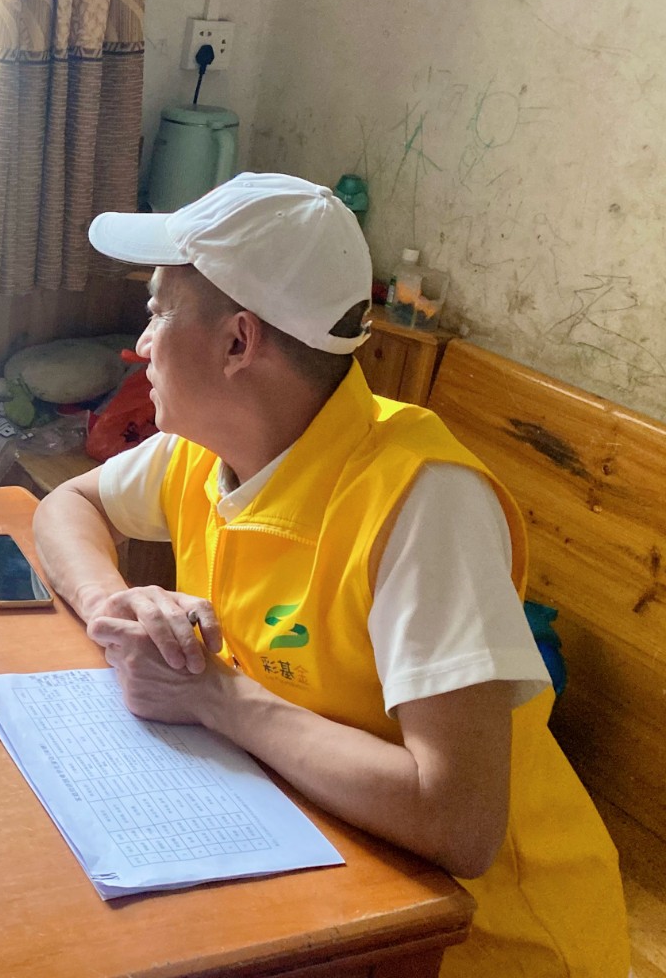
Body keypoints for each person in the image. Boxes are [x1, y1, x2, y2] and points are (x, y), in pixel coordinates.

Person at [33, 173, 627, 975]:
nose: (140, 345)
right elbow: (67, 505)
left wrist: (214, 697)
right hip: (319, 864)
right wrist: (115, 606)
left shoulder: (422, 500)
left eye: (157, 312)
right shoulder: (205, 448)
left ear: (238, 343)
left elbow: (460, 822)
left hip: (482, 945)